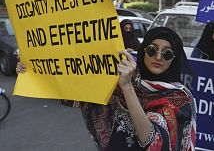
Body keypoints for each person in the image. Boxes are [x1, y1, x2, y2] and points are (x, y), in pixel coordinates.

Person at [16, 27, 196, 150]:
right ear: (143, 51)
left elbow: (153, 142)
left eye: (167, 53)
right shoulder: (124, 76)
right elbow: (77, 92)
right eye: (152, 49)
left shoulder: (178, 98)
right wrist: (33, 70)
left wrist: (126, 87)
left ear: (175, 59)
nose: (158, 56)